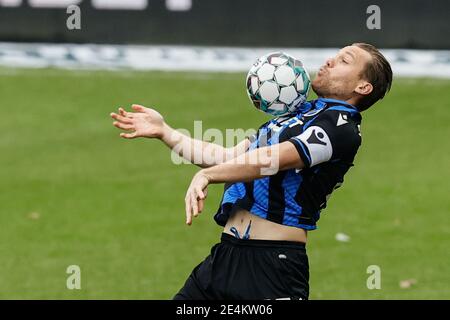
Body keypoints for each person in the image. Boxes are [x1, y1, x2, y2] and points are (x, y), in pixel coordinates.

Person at [110, 43, 392, 300]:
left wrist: (208, 176)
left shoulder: (342, 128)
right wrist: (166, 132)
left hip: (272, 268)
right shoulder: (297, 115)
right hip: (225, 258)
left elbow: (272, 159)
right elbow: (227, 158)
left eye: (345, 60)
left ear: (363, 87)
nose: (330, 60)